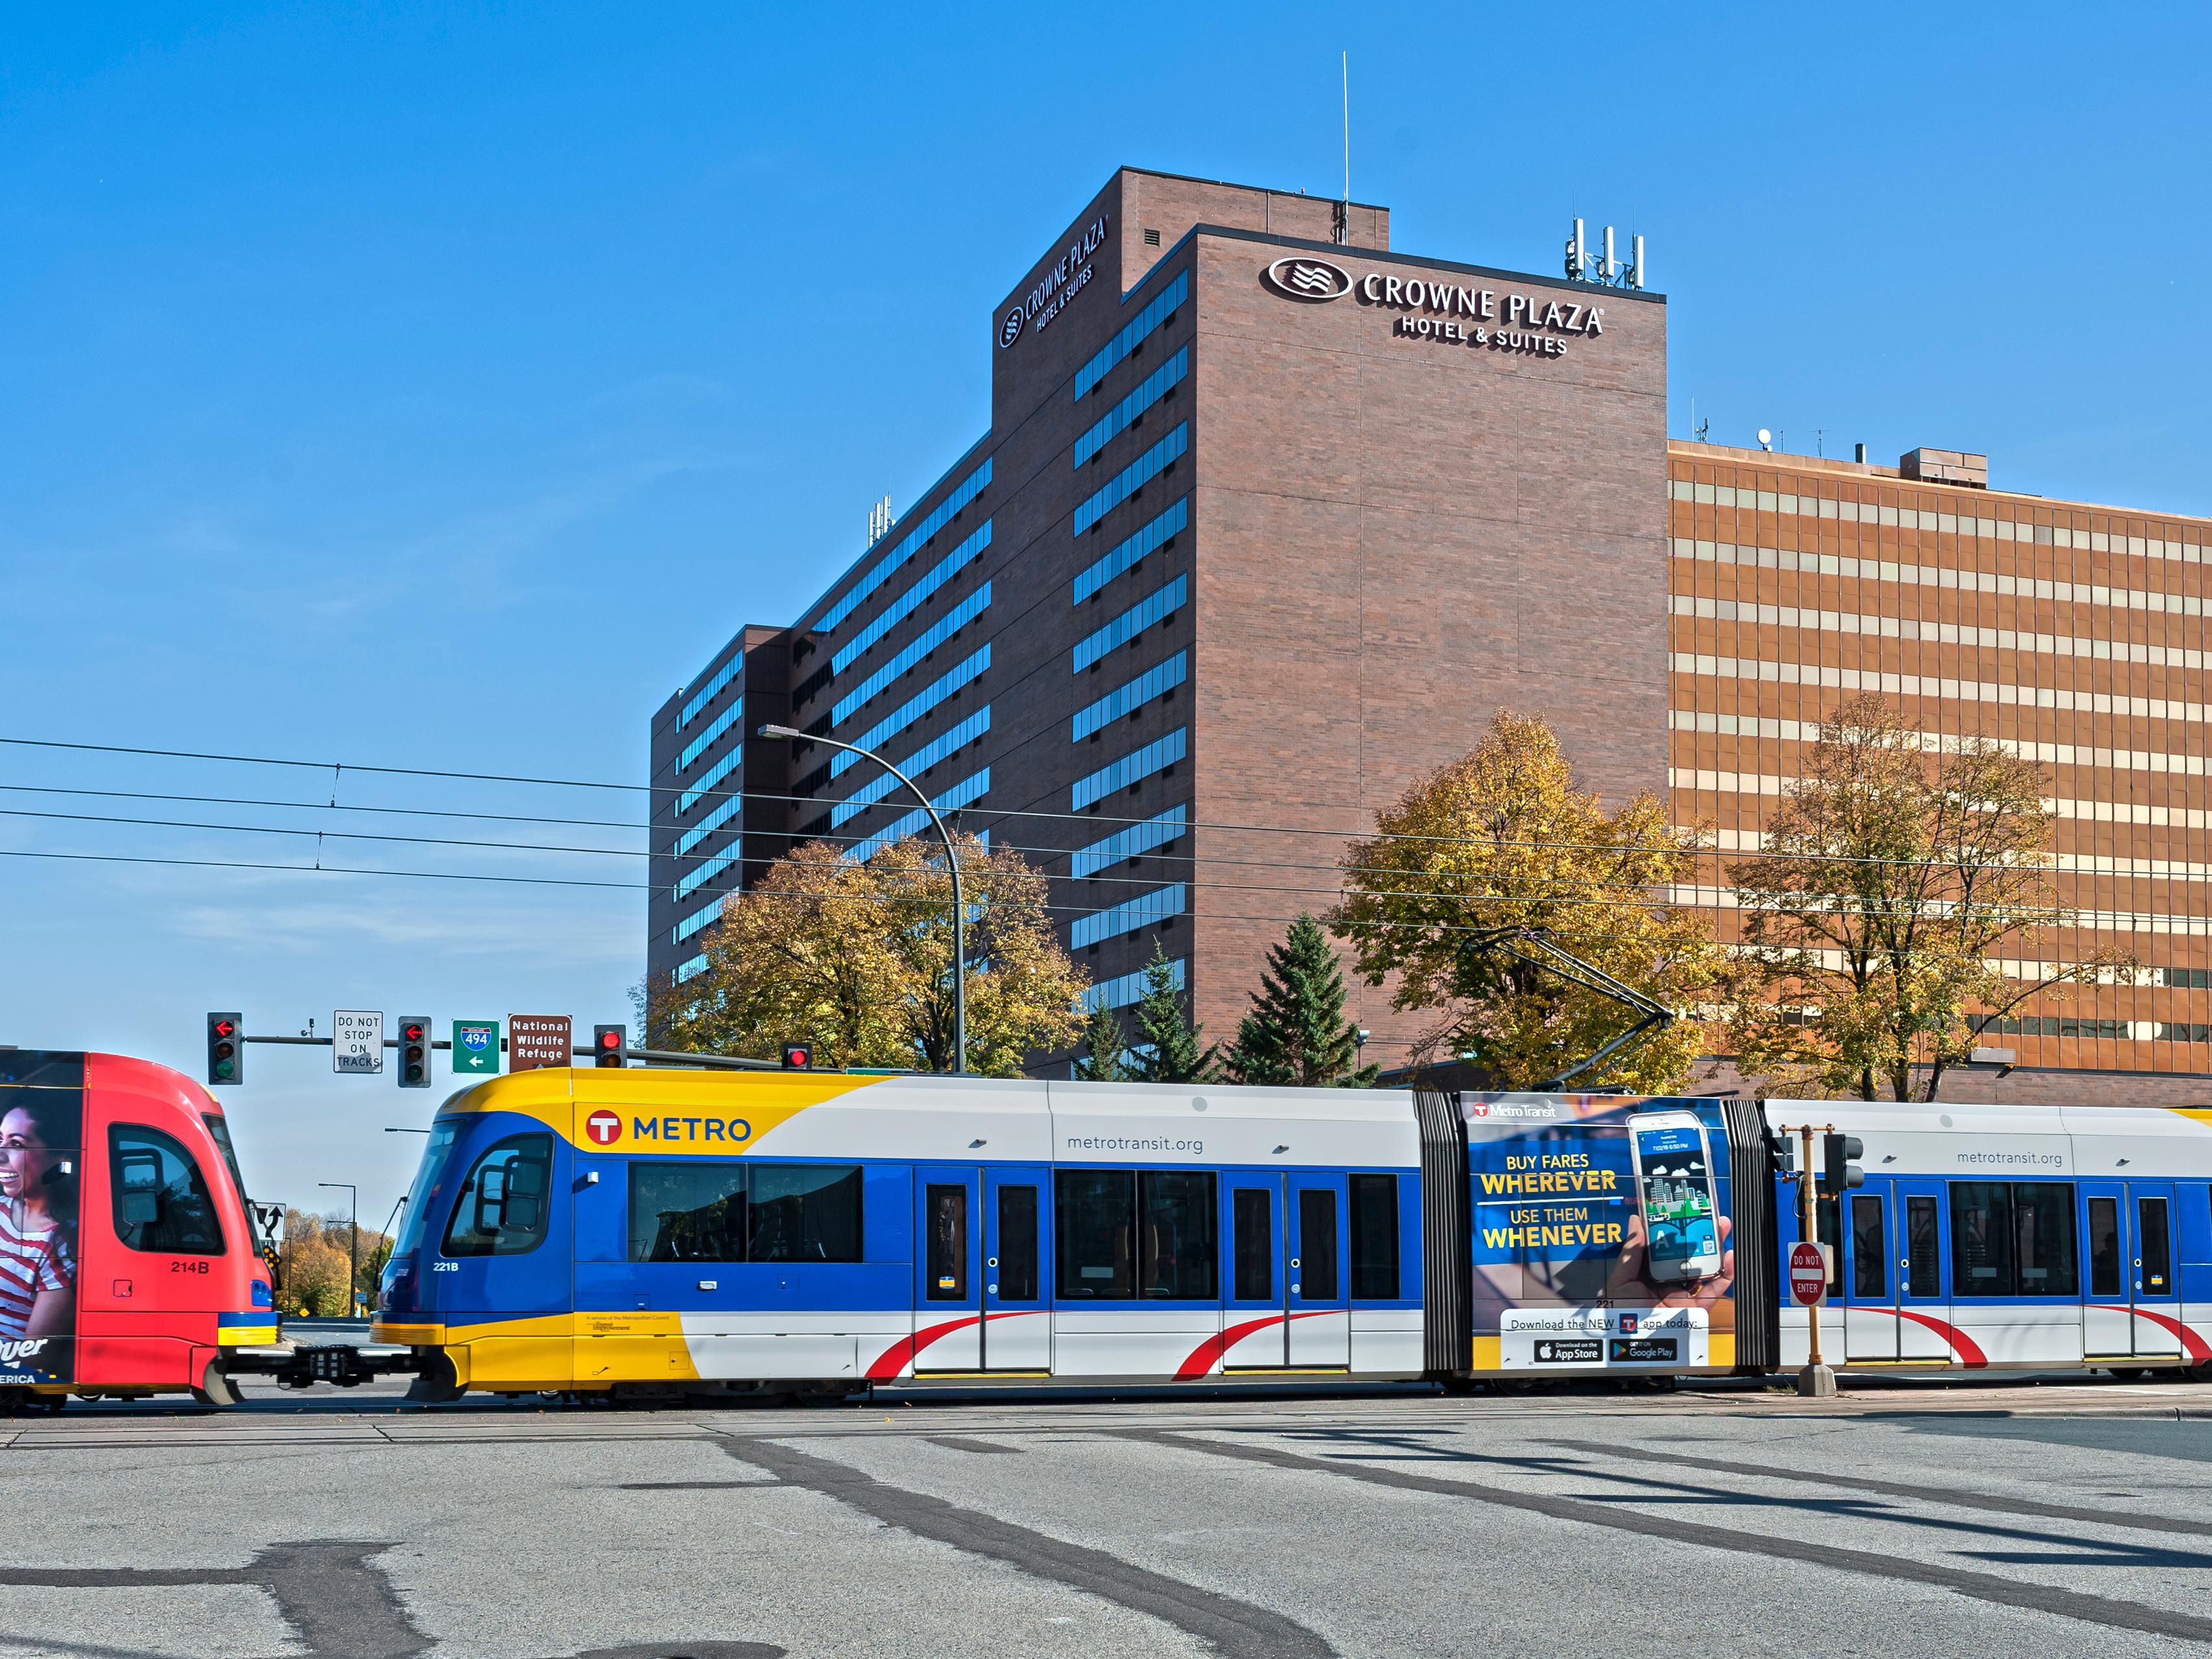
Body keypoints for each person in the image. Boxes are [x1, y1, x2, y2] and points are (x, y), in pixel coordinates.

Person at [0, 1100, 77, 1343]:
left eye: (16, 1144)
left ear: (57, 1157)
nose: (1, 1154)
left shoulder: (58, 1248)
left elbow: (35, 1357)